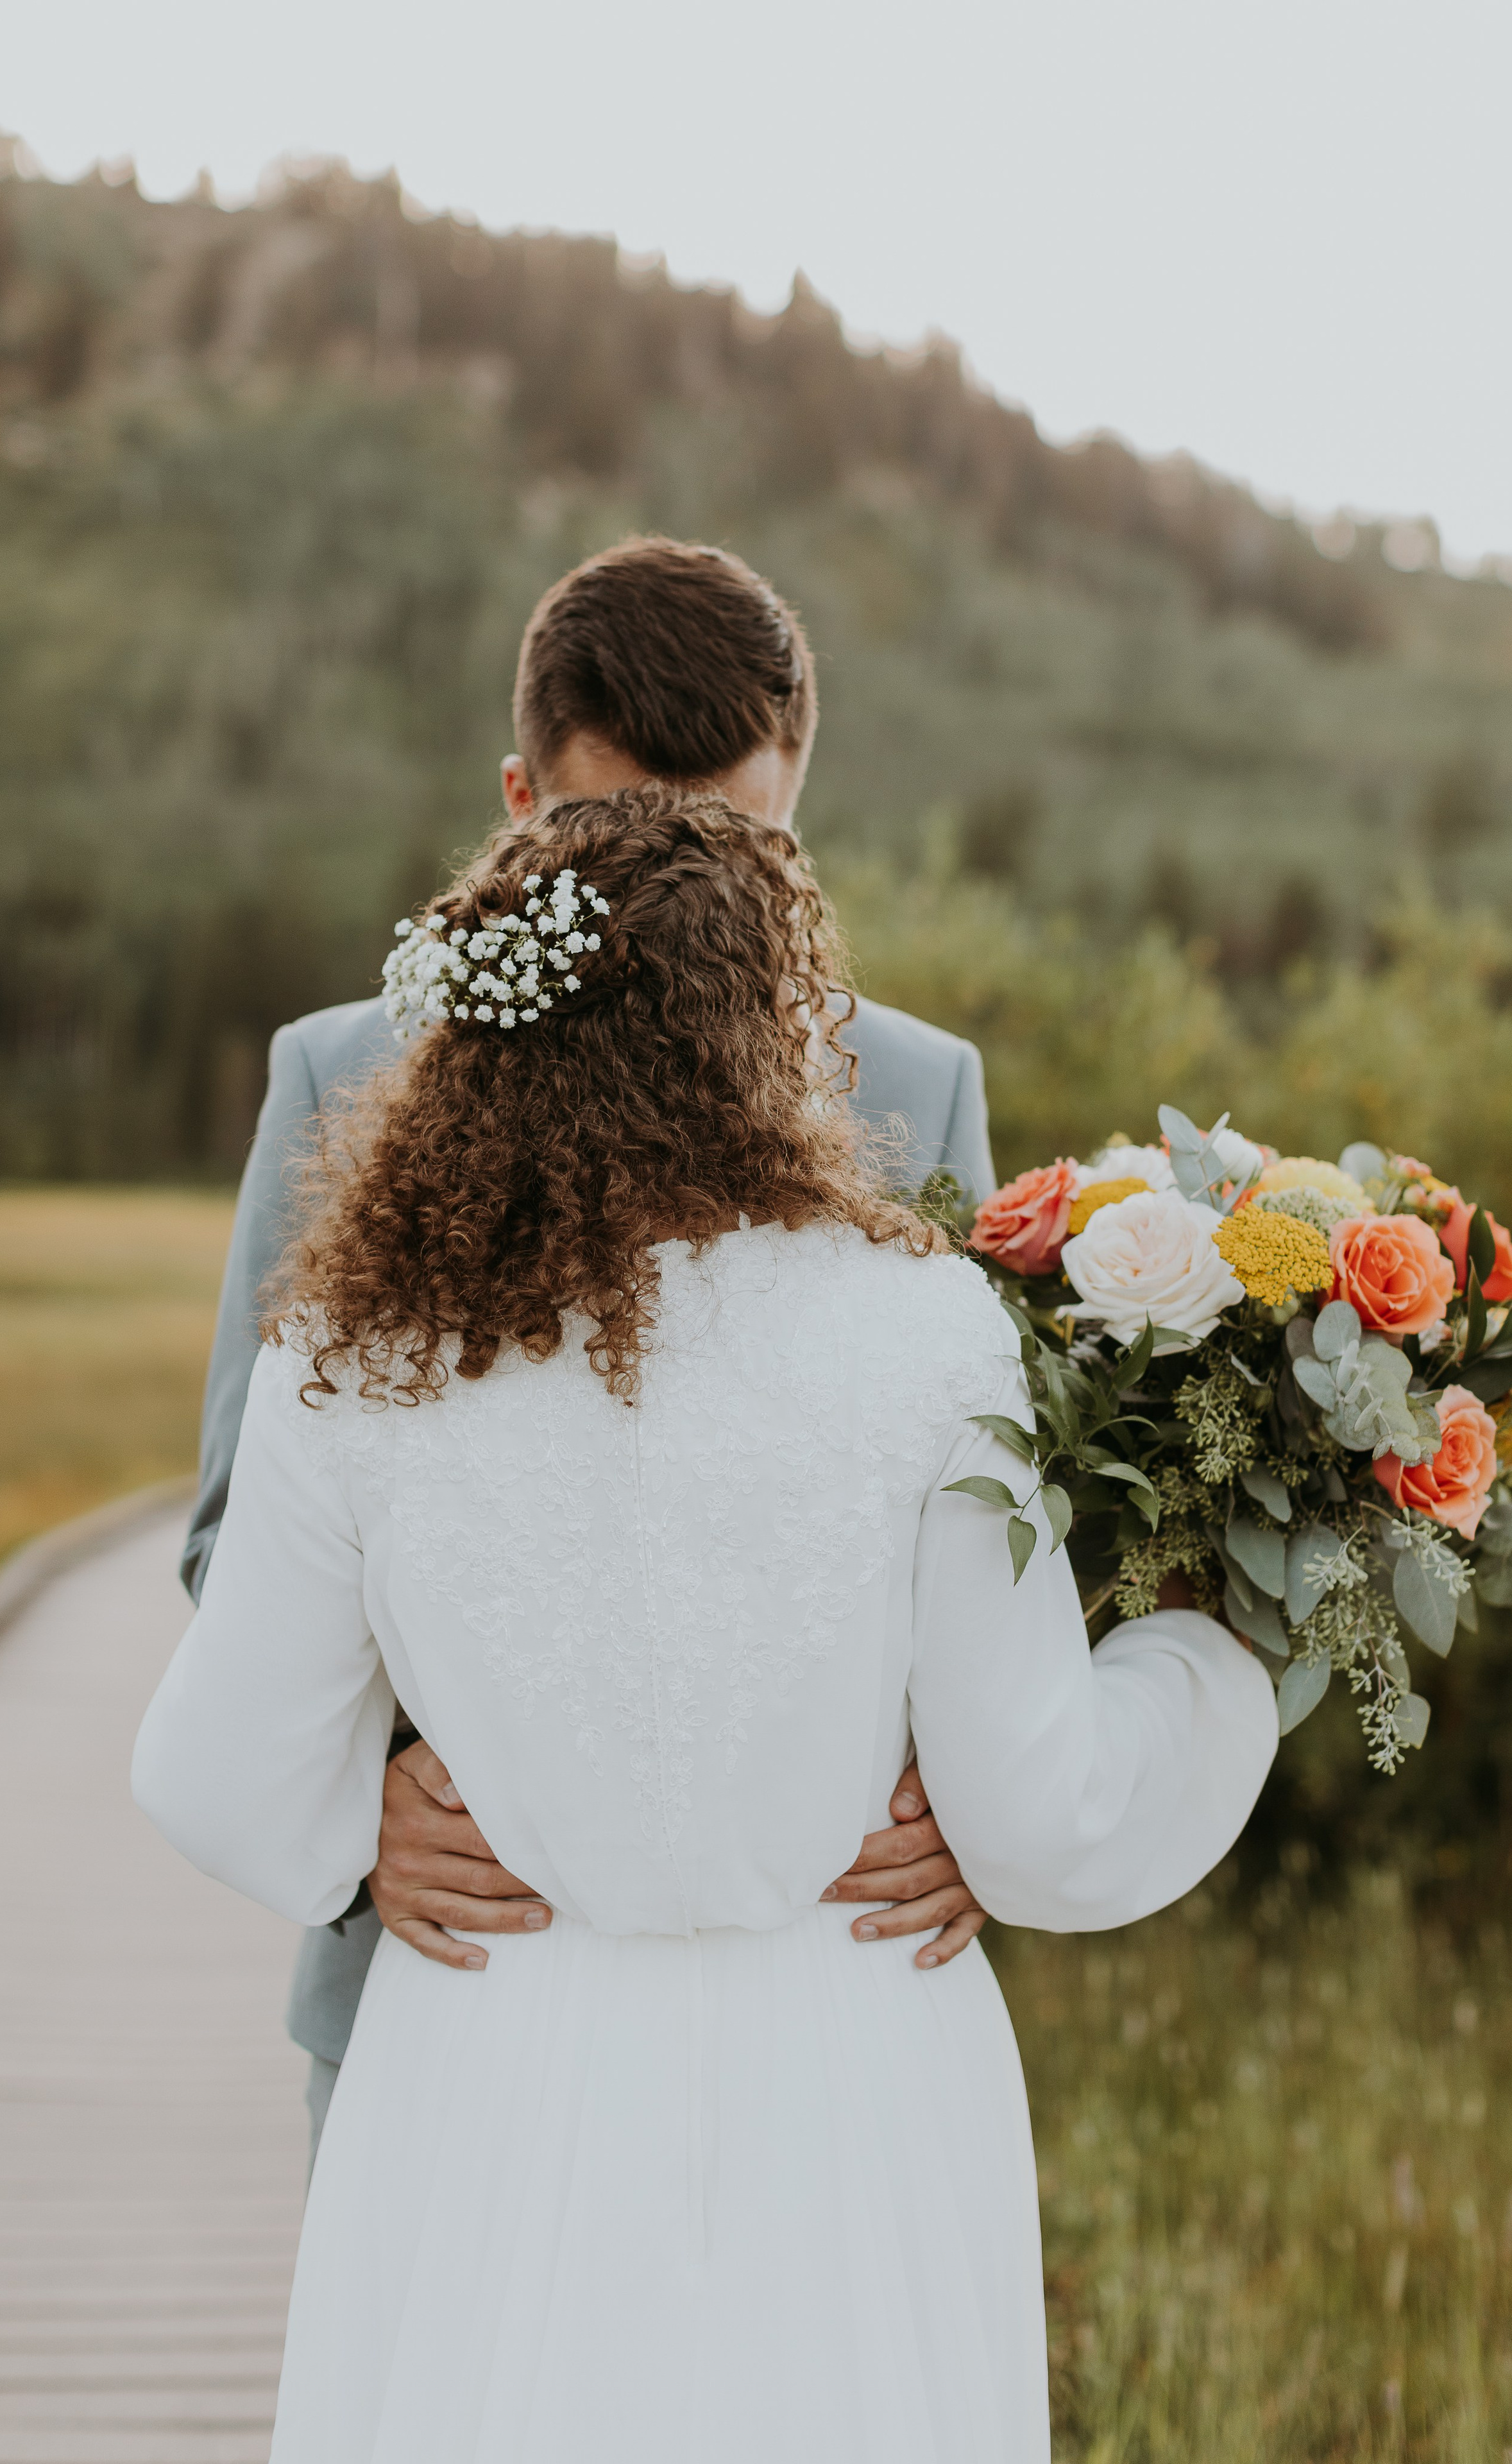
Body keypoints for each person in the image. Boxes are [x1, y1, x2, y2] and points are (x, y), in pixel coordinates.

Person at [135, 786, 1275, 2462]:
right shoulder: (928, 1332)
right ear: (776, 1031)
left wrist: (368, 1825)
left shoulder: (354, 1352)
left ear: (486, 1036)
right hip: (853, 2068)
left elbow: (215, 1773)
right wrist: (1211, 1660)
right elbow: (1043, 1820)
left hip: (488, 2066)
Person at [185, 538, 999, 2156]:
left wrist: (986, 1807)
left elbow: (985, 1541)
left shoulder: (910, 1093)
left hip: (817, 2001)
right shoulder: (343, 1073)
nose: (670, 897)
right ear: (515, 798)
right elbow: (233, 1530)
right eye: (610, 834)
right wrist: (360, 1819)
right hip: (453, 1964)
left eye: (739, 849)